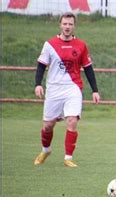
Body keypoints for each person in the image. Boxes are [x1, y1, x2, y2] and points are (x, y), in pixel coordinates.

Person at [34, 12, 100, 168]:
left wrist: (95, 90)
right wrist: (38, 84)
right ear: (60, 25)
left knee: (72, 120)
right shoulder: (49, 44)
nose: (67, 27)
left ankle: (68, 158)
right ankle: (45, 150)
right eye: (65, 24)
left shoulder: (81, 45)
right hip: (54, 89)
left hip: (73, 87)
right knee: (48, 126)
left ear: (74, 26)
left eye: (70, 24)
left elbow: (88, 69)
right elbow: (41, 66)